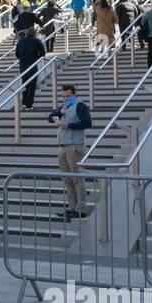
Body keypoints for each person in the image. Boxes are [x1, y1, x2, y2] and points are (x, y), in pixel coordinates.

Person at [47, 84, 92, 222]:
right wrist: (59, 113)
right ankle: (72, 207)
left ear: (74, 94)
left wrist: (68, 125)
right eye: (64, 96)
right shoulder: (63, 106)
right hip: (62, 146)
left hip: (74, 146)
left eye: (68, 96)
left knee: (77, 178)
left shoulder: (80, 105)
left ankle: (81, 209)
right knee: (67, 179)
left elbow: (87, 122)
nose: (66, 98)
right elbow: (50, 117)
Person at [16, 28, 46, 110]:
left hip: (22, 65)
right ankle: (29, 105)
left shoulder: (20, 41)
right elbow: (43, 52)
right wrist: (37, 57)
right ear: (34, 34)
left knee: (25, 84)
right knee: (32, 85)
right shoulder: (36, 41)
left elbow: (17, 54)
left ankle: (24, 103)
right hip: (32, 65)